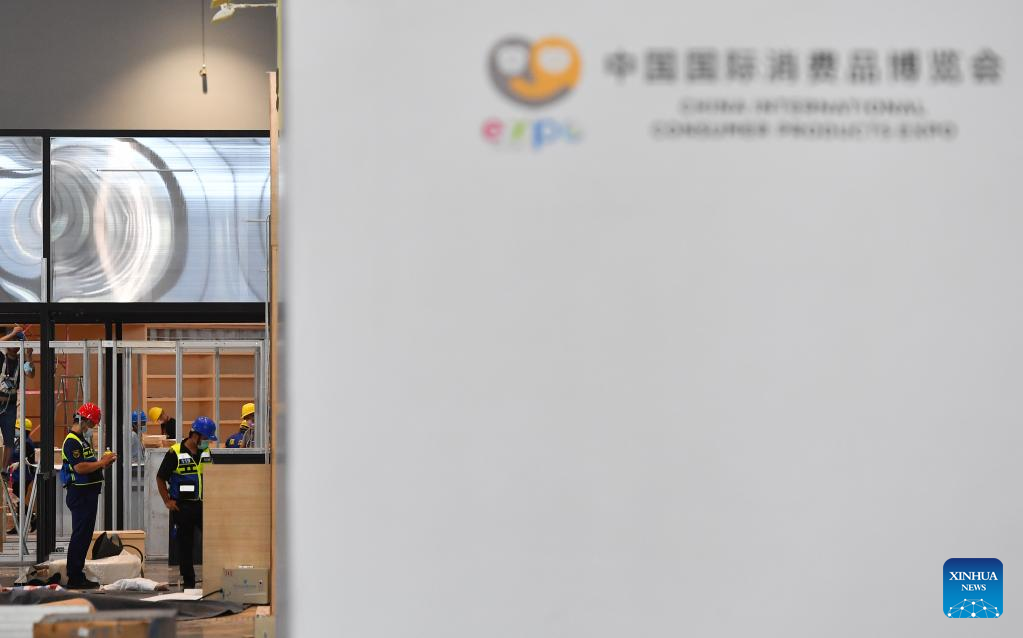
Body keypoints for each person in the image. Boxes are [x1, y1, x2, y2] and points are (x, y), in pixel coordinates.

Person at [156, 416, 217, 589]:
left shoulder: (206, 452)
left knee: (213, 542)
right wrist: (167, 501)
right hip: (182, 507)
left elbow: (214, 476)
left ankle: (214, 580)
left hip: (204, 505)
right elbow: (160, 478)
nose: (207, 442)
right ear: (196, 435)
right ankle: (189, 583)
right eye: (206, 438)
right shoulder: (175, 452)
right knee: (185, 545)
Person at [61, 402, 116, 589]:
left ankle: (78, 573)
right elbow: (80, 468)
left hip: (88, 494)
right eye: (91, 424)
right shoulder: (72, 441)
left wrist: (103, 463)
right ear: (84, 420)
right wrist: (102, 462)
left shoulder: (81, 440)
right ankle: (74, 577)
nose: (92, 427)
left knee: (84, 536)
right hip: (80, 494)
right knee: (80, 535)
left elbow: (88, 464)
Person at [0, 325, 34, 467]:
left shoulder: (22, 362)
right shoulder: (1, 357)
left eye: (17, 342)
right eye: (12, 342)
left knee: (9, 440)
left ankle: (4, 470)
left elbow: (30, 373)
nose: (14, 346)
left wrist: (29, 356)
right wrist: (13, 333)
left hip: (10, 406)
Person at [6, 417, 37, 534]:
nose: (15, 430)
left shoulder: (27, 443)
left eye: (17, 428)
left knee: (18, 499)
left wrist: (18, 463)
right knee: (17, 500)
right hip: (17, 475)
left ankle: (32, 518)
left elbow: (29, 459)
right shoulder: (19, 441)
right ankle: (24, 523)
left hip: (24, 475)